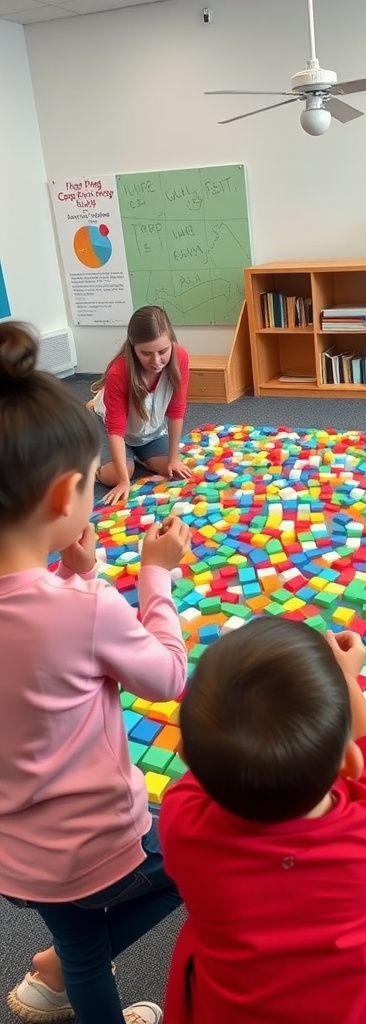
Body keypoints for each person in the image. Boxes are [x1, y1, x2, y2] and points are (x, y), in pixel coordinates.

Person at [0, 320, 191, 1024]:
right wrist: (152, 576)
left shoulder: (71, 600)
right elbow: (168, 676)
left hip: (15, 861)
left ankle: (54, 974)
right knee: (205, 846)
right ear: (62, 499)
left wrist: (77, 578)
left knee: (79, 951)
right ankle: (64, 969)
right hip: (100, 844)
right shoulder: (84, 608)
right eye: (89, 484)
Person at [158, 618, 366, 1024]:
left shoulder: (182, 827)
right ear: (348, 764)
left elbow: (197, 765)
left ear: (187, 755)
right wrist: (345, 677)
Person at [90, 305, 192, 505]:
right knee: (122, 474)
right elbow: (116, 429)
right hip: (110, 425)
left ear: (172, 341)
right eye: (146, 353)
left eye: (163, 351)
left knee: (173, 470)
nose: (156, 361)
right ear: (132, 347)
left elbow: (176, 410)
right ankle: (92, 463)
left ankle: (140, 456)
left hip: (146, 428)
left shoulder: (180, 357)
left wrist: (173, 458)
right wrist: (123, 480)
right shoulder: (118, 372)